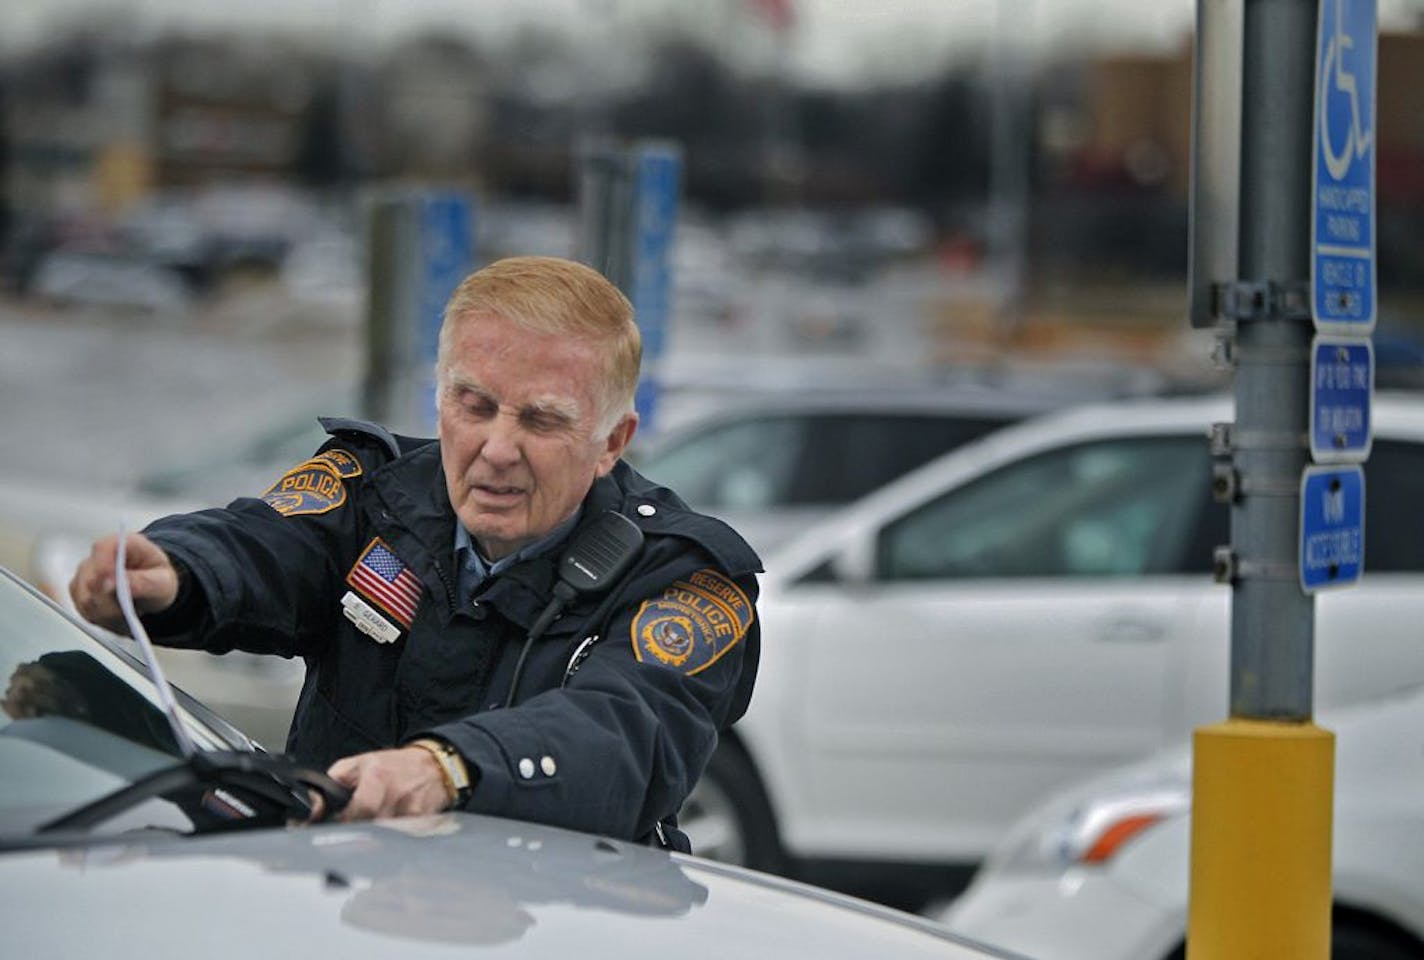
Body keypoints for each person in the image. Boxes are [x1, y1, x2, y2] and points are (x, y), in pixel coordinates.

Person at [69, 255, 761, 849]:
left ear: (613, 440)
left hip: (556, 925)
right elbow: (267, 545)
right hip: (335, 903)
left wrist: (448, 770)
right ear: (440, 401)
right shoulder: (373, 494)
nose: (496, 449)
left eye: (542, 419)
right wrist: (178, 572)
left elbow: (623, 735)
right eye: (475, 405)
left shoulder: (683, 579)